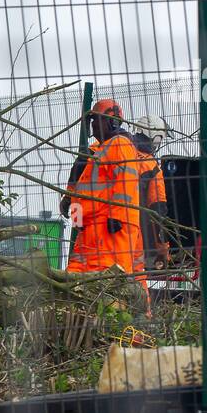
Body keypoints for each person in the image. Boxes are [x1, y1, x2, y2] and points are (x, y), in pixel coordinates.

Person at [64, 98, 145, 279]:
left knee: (107, 282)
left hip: (109, 228)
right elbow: (82, 192)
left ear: (111, 120)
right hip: (91, 228)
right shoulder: (99, 151)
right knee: (77, 279)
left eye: (95, 120)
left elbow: (126, 181)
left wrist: (116, 216)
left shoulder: (120, 144)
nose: (92, 126)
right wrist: (77, 220)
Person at [130, 115, 172, 270]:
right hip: (132, 236)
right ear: (155, 138)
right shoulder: (151, 166)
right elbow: (158, 211)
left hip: (100, 229)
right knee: (135, 282)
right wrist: (162, 249)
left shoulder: (117, 149)